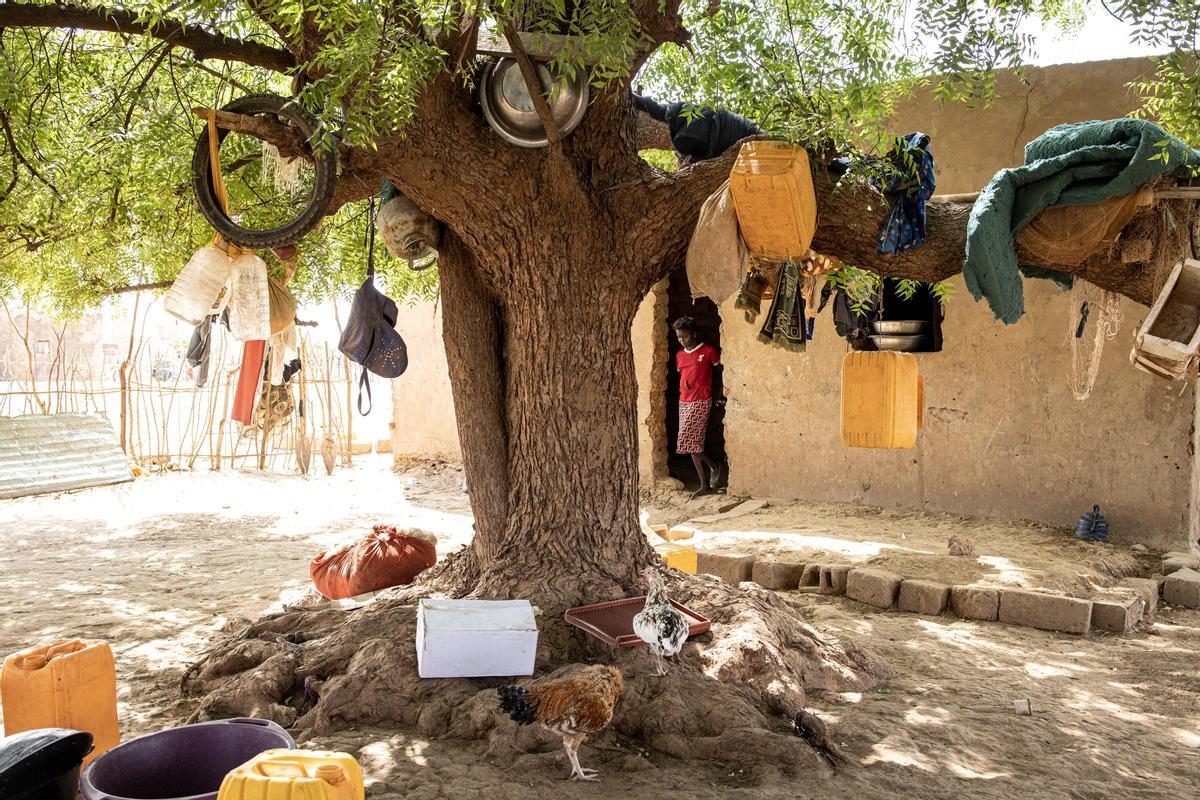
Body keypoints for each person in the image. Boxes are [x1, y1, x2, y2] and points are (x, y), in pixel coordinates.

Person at [672, 316, 723, 497]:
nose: (681, 340)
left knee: (689, 440)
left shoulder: (708, 352)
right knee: (691, 443)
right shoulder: (679, 355)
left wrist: (718, 396)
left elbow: (719, 373)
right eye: (678, 337)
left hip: (701, 400)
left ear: (693, 334)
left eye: (684, 336)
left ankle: (712, 469)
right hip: (684, 401)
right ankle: (708, 476)